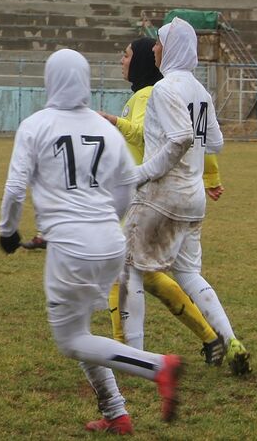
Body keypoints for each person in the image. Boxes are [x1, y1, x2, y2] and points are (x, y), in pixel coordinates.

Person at [0, 49, 182, 433]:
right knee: (82, 333)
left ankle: (158, 367)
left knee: (71, 341)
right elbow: (126, 187)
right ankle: (116, 413)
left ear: (50, 79)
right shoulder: (103, 129)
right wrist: (95, 224)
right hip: (109, 242)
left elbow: (16, 188)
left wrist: (8, 232)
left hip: (74, 248)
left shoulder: (35, 125)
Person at [122, 18, 250, 376]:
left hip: (161, 195)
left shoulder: (165, 89)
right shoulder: (200, 90)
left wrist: (144, 171)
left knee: (129, 270)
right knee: (189, 274)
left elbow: (179, 138)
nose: (156, 50)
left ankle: (135, 358)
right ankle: (230, 339)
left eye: (160, 43)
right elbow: (216, 142)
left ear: (172, 48)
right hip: (194, 197)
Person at [96, 38, 221, 357]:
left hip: (146, 196)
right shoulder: (145, 94)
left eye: (125, 55)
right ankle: (211, 338)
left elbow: (150, 135)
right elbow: (198, 140)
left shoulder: (149, 95)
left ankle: (126, 351)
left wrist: (112, 122)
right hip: (143, 194)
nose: (121, 61)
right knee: (150, 275)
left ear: (139, 60)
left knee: (121, 271)